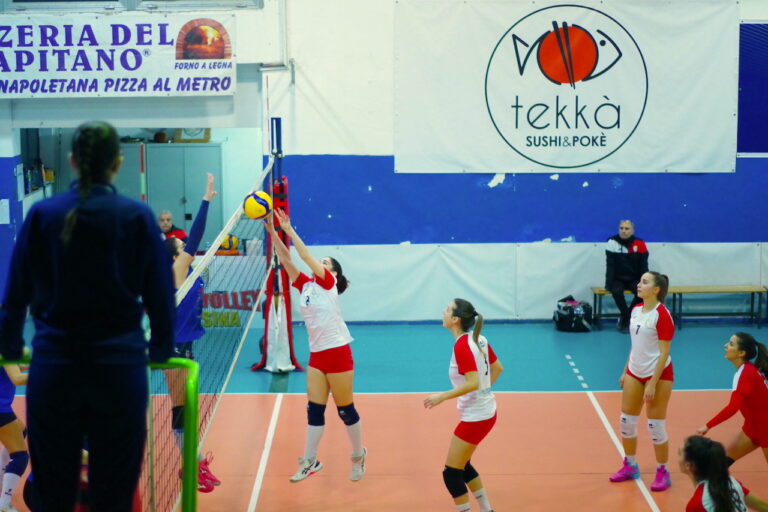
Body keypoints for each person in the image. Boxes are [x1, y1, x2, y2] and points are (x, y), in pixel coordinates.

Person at [0, 121, 176, 512]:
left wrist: (10, 346)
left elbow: (15, 294)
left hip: (55, 369)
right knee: (114, 490)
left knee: (53, 491)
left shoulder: (43, 213)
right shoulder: (136, 216)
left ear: (73, 161)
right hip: (118, 370)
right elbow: (161, 294)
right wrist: (161, 348)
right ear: (117, 163)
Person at [263, 209, 366, 483]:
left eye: (326, 261)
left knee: (345, 410)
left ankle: (358, 455)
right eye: (322, 261)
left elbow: (305, 256)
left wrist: (289, 228)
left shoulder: (327, 282)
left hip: (338, 352)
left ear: (332, 271)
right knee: (314, 409)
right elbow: (287, 260)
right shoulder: (307, 285)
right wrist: (273, 233)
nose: (320, 263)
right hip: (318, 356)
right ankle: (310, 460)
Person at [163, 173, 219, 492]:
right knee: (182, 408)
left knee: (187, 407)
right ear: (174, 256)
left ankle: (194, 464)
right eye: (181, 246)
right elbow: (195, 238)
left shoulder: (186, 273)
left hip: (184, 345)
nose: (187, 247)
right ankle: (191, 468)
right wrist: (206, 201)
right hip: (173, 347)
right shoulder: (175, 271)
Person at [424, 299, 503, 512]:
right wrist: (483, 392)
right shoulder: (479, 338)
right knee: (463, 465)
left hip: (477, 417)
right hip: (486, 412)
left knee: (451, 473)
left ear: (456, 319)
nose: (443, 311)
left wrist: (443, 397)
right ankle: (487, 510)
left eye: (447, 309)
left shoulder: (462, 345)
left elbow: (473, 382)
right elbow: (498, 369)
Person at [610, 271, 674, 492]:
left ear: (656, 290)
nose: (639, 285)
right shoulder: (636, 310)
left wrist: (653, 382)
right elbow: (635, 344)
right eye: (640, 281)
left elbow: (664, 352)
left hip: (659, 374)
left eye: (645, 282)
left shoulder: (662, 314)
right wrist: (625, 370)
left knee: (655, 426)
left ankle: (663, 471)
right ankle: (630, 465)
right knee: (626, 422)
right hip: (634, 372)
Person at [696, 332, 768, 466]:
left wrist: (708, 426)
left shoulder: (745, 374)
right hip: (753, 428)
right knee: (721, 464)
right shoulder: (747, 370)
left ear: (741, 353)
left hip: (766, 428)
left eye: (731, 344)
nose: (725, 346)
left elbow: (732, 408)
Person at [680, 435, 768, 511]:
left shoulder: (698, 504)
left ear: (689, 465)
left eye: (679, 453)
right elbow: (760, 505)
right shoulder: (730, 481)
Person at [605, 220, 649, 332]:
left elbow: (643, 266)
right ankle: (626, 317)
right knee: (616, 291)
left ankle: (626, 317)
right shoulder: (612, 242)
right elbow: (610, 265)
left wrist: (645, 282)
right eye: (621, 228)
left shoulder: (640, 243)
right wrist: (608, 283)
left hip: (634, 279)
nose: (624, 231)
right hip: (618, 279)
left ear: (632, 230)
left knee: (642, 293)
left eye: (627, 228)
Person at [0, 364, 28, 512]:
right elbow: (17, 378)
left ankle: (2, 476)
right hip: (1, 410)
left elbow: (15, 367)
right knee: (20, 456)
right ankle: (4, 504)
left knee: (21, 430)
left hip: (3, 408)